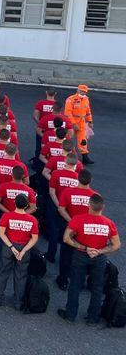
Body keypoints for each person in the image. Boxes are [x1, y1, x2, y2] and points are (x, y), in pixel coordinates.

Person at [59, 195, 121, 324]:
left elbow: (66, 238)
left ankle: (70, 314)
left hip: (80, 255)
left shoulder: (78, 220)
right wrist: (99, 251)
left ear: (89, 205)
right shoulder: (109, 223)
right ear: (102, 207)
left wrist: (83, 247)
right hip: (99, 258)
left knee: (75, 284)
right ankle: (93, 318)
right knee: (97, 288)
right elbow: (116, 245)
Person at [0, 193, 39, 309]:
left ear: (14, 203)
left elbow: (1, 233)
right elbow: (34, 238)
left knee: (3, 272)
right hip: (24, 248)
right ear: (27, 205)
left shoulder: (7, 216)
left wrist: (11, 247)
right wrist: (23, 251)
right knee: (21, 275)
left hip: (8, 247)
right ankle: (18, 302)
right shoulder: (32, 220)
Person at [64, 85, 94, 165]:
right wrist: (73, 123)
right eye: (81, 91)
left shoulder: (86, 99)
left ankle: (85, 157)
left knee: (83, 140)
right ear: (77, 90)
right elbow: (67, 113)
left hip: (82, 121)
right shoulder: (70, 99)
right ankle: (64, 154)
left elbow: (88, 111)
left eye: (84, 91)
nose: (83, 93)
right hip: (72, 121)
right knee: (68, 138)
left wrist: (90, 121)